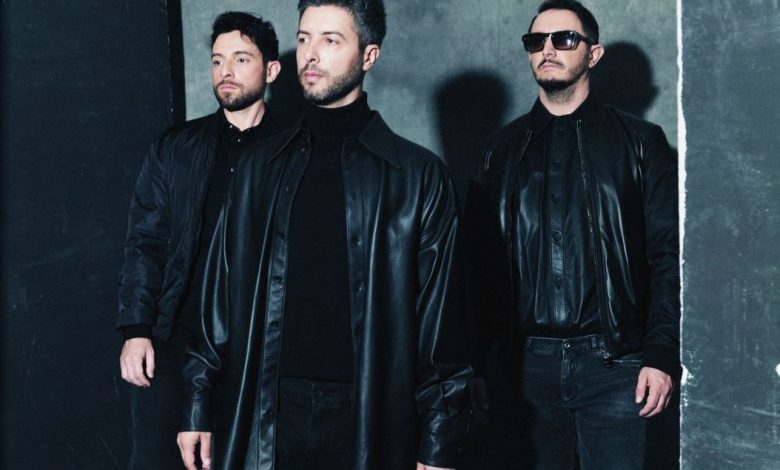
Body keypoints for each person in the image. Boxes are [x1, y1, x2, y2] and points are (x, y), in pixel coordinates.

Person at [176, 1, 472, 469]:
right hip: (269, 413)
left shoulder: (417, 176)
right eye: (304, 38)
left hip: (369, 416)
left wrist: (439, 443)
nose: (310, 54)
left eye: (331, 40)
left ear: (368, 56)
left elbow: (442, 329)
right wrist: (197, 406)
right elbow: (216, 304)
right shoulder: (257, 169)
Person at [464, 0, 679, 468]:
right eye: (535, 41)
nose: (548, 50)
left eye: (564, 39)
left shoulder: (642, 143)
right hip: (524, 371)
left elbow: (666, 257)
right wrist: (475, 364)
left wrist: (661, 354)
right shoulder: (497, 153)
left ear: (593, 54)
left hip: (617, 365)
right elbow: (476, 269)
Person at [116, 12, 281, 469]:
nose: (225, 71)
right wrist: (136, 331)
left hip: (254, 351)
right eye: (217, 60)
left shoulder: (293, 150)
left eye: (241, 59)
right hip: (174, 343)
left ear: (271, 70)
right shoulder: (176, 147)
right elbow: (145, 241)